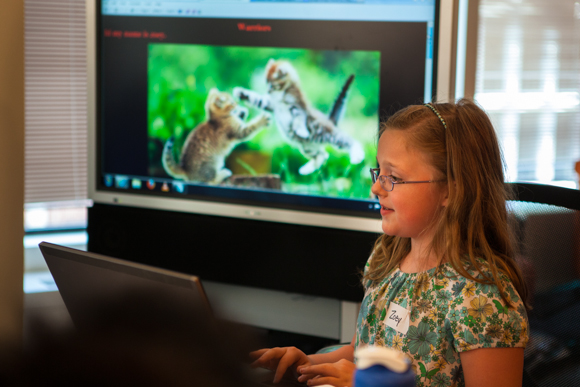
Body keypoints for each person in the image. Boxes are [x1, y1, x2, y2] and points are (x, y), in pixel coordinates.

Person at [250, 99, 530, 387]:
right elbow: (362, 354)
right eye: (379, 173)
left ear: (451, 190)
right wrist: (309, 363)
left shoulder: (482, 300)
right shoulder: (387, 258)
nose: (375, 187)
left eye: (393, 177)